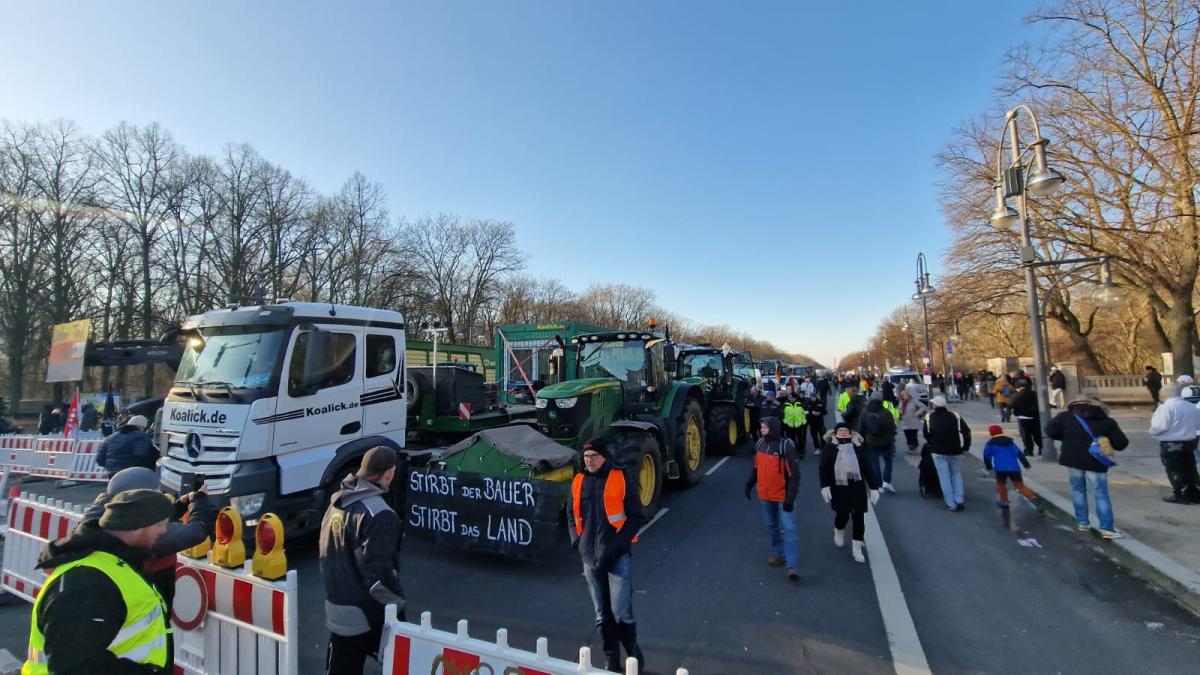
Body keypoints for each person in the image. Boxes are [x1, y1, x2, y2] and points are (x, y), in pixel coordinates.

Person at [25, 489, 174, 674]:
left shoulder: (113, 563)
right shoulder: (86, 584)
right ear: (136, 527)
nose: (164, 531)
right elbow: (76, 667)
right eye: (159, 524)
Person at [70, 467, 216, 604]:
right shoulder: (139, 530)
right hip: (143, 604)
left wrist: (180, 506)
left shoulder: (103, 516)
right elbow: (196, 531)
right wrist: (201, 501)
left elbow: (153, 520)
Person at [320, 446, 408, 674]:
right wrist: (397, 607)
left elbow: (325, 552)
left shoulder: (336, 503)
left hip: (337, 605)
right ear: (389, 473)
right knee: (401, 662)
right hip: (367, 613)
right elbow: (379, 573)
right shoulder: (380, 514)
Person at [569, 436, 645, 671]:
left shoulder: (620, 477)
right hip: (590, 560)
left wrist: (618, 547)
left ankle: (632, 652)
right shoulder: (579, 480)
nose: (589, 460)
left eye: (593, 457)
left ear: (604, 457)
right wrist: (576, 542)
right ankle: (611, 658)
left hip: (617, 558)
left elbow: (635, 517)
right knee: (602, 615)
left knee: (621, 612)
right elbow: (572, 515)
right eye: (586, 457)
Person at [1046, 397, 1130, 538]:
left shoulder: (1065, 417)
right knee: (1100, 494)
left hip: (1072, 458)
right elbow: (1122, 443)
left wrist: (1067, 438)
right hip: (1096, 461)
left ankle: (1082, 522)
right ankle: (1107, 529)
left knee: (1078, 490)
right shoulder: (1106, 421)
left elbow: (1050, 431)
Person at [744, 417, 801, 581]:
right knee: (771, 526)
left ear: (773, 429)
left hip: (783, 496)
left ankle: (792, 566)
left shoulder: (785, 447)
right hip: (766, 495)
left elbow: (794, 475)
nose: (761, 429)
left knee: (789, 529)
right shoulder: (760, 444)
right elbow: (756, 468)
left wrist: (790, 498)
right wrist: (749, 484)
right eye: (761, 427)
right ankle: (778, 553)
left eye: (764, 427)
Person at [819, 423, 881, 563]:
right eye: (840, 430)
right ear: (835, 433)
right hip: (839, 488)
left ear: (850, 433)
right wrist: (825, 486)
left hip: (857, 487)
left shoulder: (858, 447)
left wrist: (873, 487)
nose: (843, 433)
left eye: (845, 430)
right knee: (842, 515)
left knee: (859, 518)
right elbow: (824, 469)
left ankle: (857, 547)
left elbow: (867, 468)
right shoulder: (830, 448)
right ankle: (839, 529)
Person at [1148, 383, 1200, 504]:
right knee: (1189, 467)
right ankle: (1193, 493)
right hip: (1189, 442)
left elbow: (1159, 426)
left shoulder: (1166, 408)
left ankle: (1180, 493)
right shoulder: (1190, 406)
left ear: (1166, 393)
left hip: (1171, 442)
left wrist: (1153, 433)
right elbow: (1198, 423)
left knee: (1174, 469)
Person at [923, 395, 971, 511]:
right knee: (956, 475)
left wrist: (931, 443)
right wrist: (965, 446)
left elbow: (926, 434)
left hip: (938, 450)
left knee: (944, 477)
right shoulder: (955, 416)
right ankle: (959, 499)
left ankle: (950, 503)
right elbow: (966, 432)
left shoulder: (929, 417)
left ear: (934, 405)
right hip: (955, 450)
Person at [982, 425, 1038, 509]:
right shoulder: (1010, 442)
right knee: (1019, 485)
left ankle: (1004, 501)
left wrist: (989, 467)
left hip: (1000, 468)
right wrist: (1026, 464)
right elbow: (1019, 453)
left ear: (991, 433)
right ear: (1001, 431)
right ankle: (1031, 496)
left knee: (1001, 485)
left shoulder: (990, 443)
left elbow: (986, 456)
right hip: (1013, 468)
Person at [858, 397, 897, 494]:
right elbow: (892, 427)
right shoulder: (886, 412)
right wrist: (892, 436)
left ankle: (878, 485)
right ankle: (887, 481)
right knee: (888, 461)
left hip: (870, 442)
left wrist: (861, 439)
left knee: (874, 463)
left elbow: (861, 426)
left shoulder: (865, 411)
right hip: (886, 442)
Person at [1010, 380, 1043, 457]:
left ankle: (1029, 450)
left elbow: (1012, 405)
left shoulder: (1016, 396)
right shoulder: (1035, 394)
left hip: (1023, 418)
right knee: (1037, 434)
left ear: (1018, 388)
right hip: (1035, 417)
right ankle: (1041, 448)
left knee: (1026, 436)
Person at [897, 388, 927, 455]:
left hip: (913, 420)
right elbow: (898, 408)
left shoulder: (914, 400)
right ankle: (911, 447)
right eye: (902, 395)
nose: (904, 396)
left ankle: (913, 449)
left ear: (908, 394)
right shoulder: (901, 401)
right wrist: (899, 411)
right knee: (907, 434)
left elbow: (923, 407)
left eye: (905, 394)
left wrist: (917, 413)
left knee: (913, 435)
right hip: (905, 420)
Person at [782, 392, 809, 459]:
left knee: (801, 439)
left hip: (799, 425)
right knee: (792, 440)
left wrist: (804, 423)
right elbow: (782, 415)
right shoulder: (785, 405)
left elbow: (806, 413)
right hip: (789, 426)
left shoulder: (800, 404)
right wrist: (785, 423)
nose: (791, 399)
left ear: (795, 398)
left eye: (793, 397)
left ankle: (801, 452)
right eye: (790, 397)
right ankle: (795, 451)